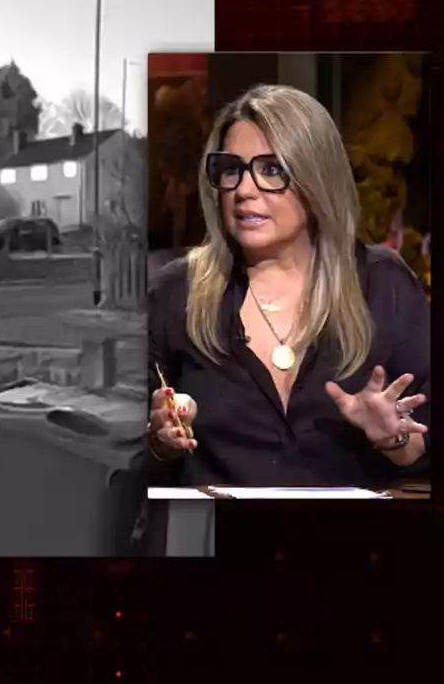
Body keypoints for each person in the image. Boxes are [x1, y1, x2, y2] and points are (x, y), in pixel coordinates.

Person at [148, 84, 430, 487]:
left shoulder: (384, 286)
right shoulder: (175, 294)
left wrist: (394, 438)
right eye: (231, 169)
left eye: (272, 170)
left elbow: (423, 451)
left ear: (317, 179)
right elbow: (129, 463)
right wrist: (160, 440)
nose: (244, 190)